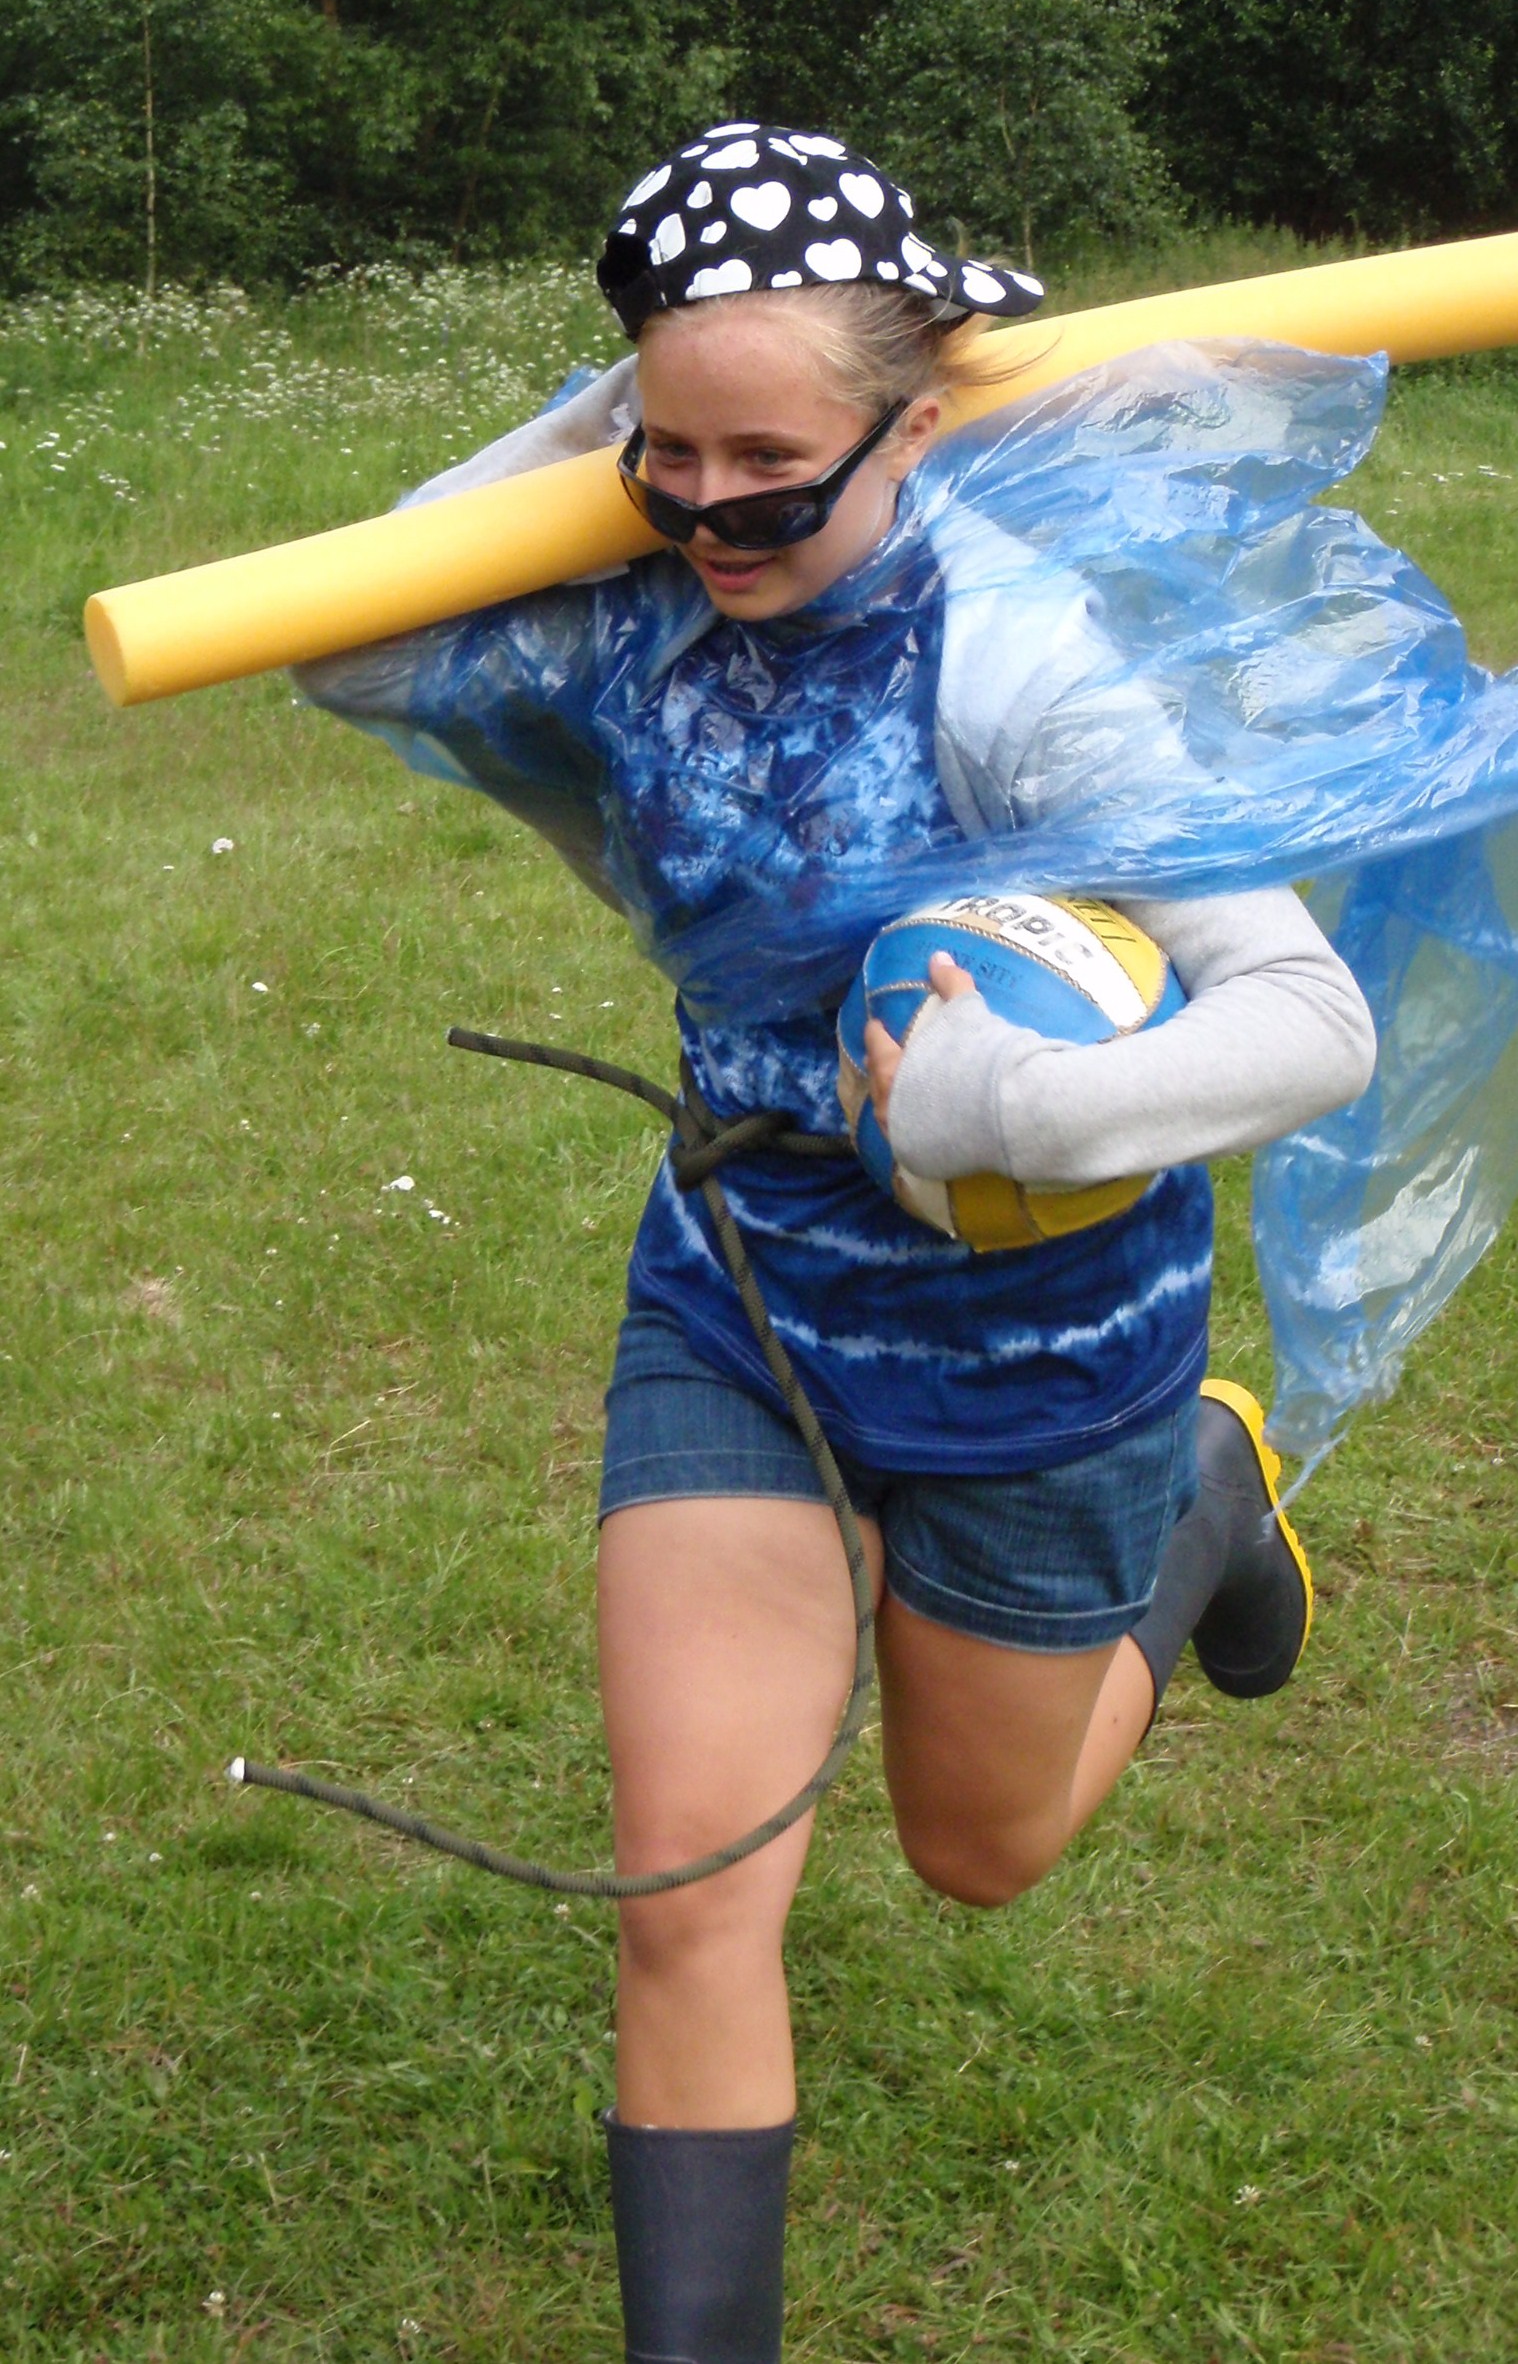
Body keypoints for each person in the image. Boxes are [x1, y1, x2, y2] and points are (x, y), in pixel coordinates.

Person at [299, 123, 1377, 2364]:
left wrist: (1013, 1110)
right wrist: (600, 429)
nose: (708, 518)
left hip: (1043, 1339)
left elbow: (1308, 1018)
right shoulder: (632, 592)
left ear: (914, 425)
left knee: (982, 1853)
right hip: (745, 1291)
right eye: (665, 458)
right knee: (688, 1893)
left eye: (769, 471)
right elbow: (351, 638)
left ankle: (1199, 1493)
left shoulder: (1023, 659)